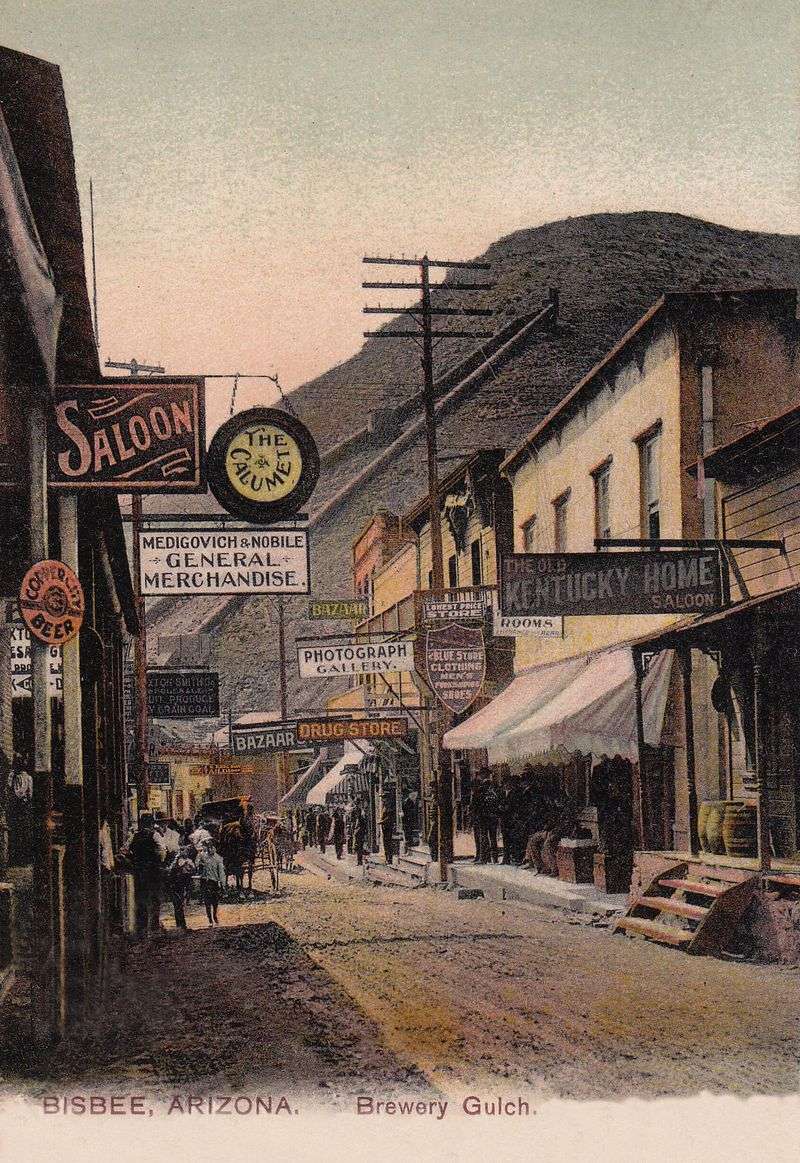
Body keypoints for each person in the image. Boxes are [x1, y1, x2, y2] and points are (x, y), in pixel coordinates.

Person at [124, 814, 164, 937]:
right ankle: (154, 927)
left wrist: (133, 860)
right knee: (155, 898)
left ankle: (142, 928)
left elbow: (125, 850)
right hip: (153, 871)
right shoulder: (155, 835)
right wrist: (158, 861)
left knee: (141, 899)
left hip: (139, 871)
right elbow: (162, 852)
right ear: (151, 824)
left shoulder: (134, 836)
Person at [167, 844, 196, 931]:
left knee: (180, 905)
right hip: (176, 884)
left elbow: (193, 870)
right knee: (178, 905)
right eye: (184, 851)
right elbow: (172, 870)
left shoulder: (188, 861)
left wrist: (189, 866)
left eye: (187, 851)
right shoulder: (176, 862)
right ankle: (181, 925)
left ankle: (181, 925)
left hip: (184, 883)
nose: (185, 853)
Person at [197, 839, 226, 926]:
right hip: (205, 881)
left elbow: (221, 873)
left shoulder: (218, 858)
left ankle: (215, 915)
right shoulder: (202, 856)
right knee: (207, 902)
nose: (210, 849)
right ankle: (210, 919)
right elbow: (198, 866)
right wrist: (199, 866)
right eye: (208, 847)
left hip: (214, 882)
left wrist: (223, 884)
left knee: (215, 901)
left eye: (211, 847)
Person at [402, 789, 418, 854]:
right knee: (406, 835)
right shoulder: (406, 801)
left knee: (407, 835)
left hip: (408, 820)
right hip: (406, 820)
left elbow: (410, 811)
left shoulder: (409, 801)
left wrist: (404, 814)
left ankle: (408, 850)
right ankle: (407, 850)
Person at [352, 801, 368, 866]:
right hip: (360, 831)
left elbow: (356, 822)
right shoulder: (361, 811)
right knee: (359, 846)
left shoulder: (360, 812)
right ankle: (359, 861)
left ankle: (359, 861)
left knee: (358, 846)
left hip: (359, 831)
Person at [380, 798, 395, 866]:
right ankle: (387, 859)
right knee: (385, 844)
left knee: (388, 843)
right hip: (385, 828)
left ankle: (389, 859)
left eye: (384, 798)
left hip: (388, 828)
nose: (382, 800)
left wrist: (382, 822)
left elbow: (389, 818)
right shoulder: (384, 807)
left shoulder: (389, 808)